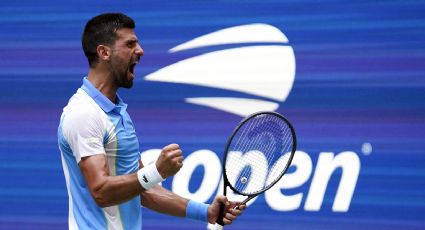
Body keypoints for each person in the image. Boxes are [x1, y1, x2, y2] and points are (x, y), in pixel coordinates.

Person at [58, 13, 245, 229]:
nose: (140, 50)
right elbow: (101, 191)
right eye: (130, 44)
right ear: (104, 52)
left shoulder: (117, 112)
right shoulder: (84, 113)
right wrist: (156, 171)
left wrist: (206, 212)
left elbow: (143, 190)